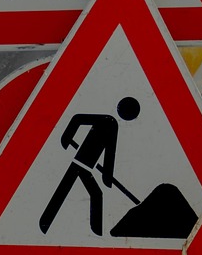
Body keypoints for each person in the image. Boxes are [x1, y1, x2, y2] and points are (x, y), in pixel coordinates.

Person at [39, 96, 140, 235]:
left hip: (84, 166)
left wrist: (107, 177)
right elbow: (78, 119)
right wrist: (67, 137)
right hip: (80, 164)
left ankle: (46, 223)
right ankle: (46, 224)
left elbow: (109, 154)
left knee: (73, 191)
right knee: (89, 193)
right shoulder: (109, 122)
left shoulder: (110, 123)